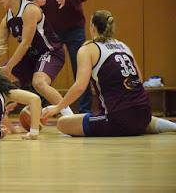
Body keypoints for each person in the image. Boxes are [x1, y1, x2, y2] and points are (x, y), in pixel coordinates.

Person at [41, 10, 176, 136]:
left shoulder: (88, 49)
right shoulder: (123, 46)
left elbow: (80, 87)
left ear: (92, 27)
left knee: (63, 124)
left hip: (118, 117)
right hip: (144, 113)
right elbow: (139, 80)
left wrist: (57, 107)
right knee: (136, 119)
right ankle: (172, 127)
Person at [0, 0, 73, 116]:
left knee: (39, 82)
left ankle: (70, 116)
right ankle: (0, 118)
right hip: (31, 57)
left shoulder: (30, 10)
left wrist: (9, 67)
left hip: (50, 52)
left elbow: (25, 44)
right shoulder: (6, 19)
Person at [30, 0, 92, 113]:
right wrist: (34, 1)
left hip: (74, 30)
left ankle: (84, 111)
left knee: (80, 71)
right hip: (51, 32)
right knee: (43, 71)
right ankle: (40, 110)